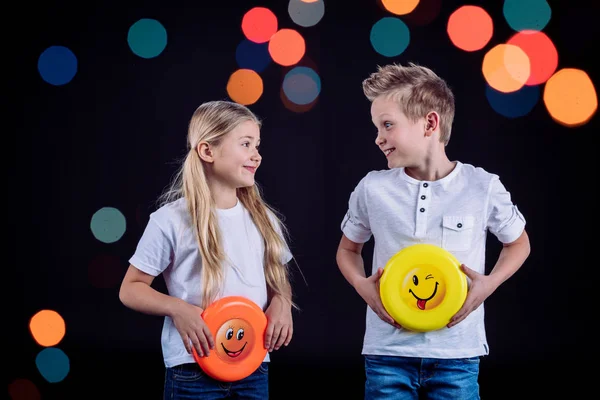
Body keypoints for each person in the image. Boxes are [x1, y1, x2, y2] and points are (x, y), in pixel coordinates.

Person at [335, 62, 531, 399]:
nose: (378, 138)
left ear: (429, 123)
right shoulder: (372, 188)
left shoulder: (481, 186)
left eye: (387, 125)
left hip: (457, 354)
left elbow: (519, 243)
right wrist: (361, 286)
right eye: (377, 127)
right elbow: (348, 250)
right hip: (388, 354)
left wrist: (489, 283)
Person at [119, 100, 296, 399]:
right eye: (245, 144)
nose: (257, 155)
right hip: (192, 368)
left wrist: (282, 302)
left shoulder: (264, 220)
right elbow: (130, 289)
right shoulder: (170, 221)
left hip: (252, 365)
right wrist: (177, 309)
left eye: (257, 145)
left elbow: (278, 281)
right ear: (207, 151)